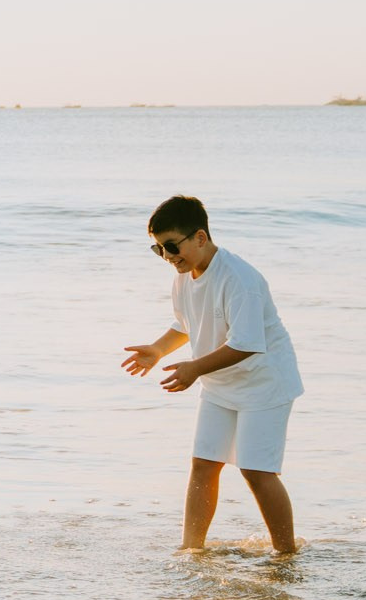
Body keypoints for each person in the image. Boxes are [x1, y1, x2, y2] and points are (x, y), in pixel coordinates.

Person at [121, 195, 304, 555]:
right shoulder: (184, 276)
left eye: (172, 246)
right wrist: (158, 350)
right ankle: (192, 551)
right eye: (158, 249)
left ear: (200, 237)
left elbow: (247, 344)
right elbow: (188, 324)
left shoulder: (239, 279)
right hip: (220, 383)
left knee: (256, 471)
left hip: (264, 383)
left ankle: (285, 555)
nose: (168, 256)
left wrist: (193, 370)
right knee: (204, 464)